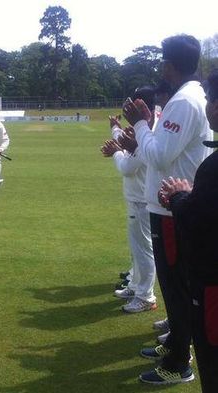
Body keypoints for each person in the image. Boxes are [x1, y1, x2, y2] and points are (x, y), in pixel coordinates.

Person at [122, 34, 212, 385]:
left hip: (171, 208)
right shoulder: (188, 98)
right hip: (168, 205)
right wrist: (142, 136)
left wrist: (141, 124)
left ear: (169, 65)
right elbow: (159, 150)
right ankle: (175, 342)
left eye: (163, 61)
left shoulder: (183, 101)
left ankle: (178, 364)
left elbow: (159, 155)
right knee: (174, 283)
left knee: (176, 287)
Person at [158, 70, 218, 393]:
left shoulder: (211, 170)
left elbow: (197, 224)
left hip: (212, 289)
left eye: (210, 98)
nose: (206, 105)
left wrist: (180, 196)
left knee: (213, 365)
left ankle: (180, 364)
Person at [101, 86, 157, 313]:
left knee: (144, 250)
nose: (129, 109)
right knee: (137, 249)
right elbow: (126, 144)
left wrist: (116, 151)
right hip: (137, 199)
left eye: (133, 105)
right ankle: (135, 286)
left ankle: (146, 296)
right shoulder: (142, 129)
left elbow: (127, 166)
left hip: (143, 201)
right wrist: (116, 131)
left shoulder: (149, 133)